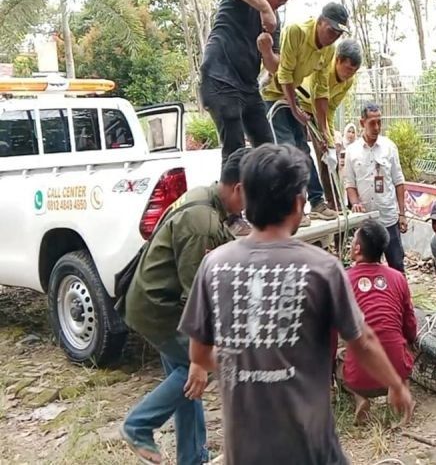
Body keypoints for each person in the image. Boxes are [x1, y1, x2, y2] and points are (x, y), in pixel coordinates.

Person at [178, 143, 413, 465]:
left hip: (245, 448)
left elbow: (199, 355)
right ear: (299, 203)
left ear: (245, 196)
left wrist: (250, 358)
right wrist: (395, 385)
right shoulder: (323, 267)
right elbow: (363, 341)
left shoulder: (214, 266)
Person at [119, 148, 248, 465]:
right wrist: (202, 358)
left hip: (161, 301)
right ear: (240, 188)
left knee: (188, 377)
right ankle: (139, 424)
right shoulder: (201, 222)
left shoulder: (209, 199)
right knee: (210, 364)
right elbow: (198, 298)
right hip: (159, 309)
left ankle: (191, 457)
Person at [200, 0, 297, 173]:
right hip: (220, 77)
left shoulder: (273, 20)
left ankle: (267, 204)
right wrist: (263, 7)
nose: (280, 3)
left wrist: (266, 51)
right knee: (235, 150)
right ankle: (229, 206)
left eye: (286, 0)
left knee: (268, 151)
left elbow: (274, 66)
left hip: (248, 87)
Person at [261, 2, 350, 225]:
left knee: (303, 149)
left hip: (294, 98)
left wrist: (323, 134)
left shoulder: (329, 50)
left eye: (339, 34)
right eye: (331, 30)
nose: (333, 37)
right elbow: (284, 73)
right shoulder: (296, 31)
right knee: (288, 150)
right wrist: (293, 108)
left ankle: (318, 202)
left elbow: (321, 92)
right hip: (273, 95)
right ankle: (292, 208)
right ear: (320, 22)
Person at [338, 220, 417, 424]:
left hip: (360, 378)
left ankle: (360, 399)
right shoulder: (398, 278)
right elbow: (410, 324)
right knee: (401, 348)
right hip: (394, 371)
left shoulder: (343, 280)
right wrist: (411, 341)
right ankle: (399, 387)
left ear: (357, 249)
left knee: (340, 361)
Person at [297, 39, 363, 209]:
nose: (350, 74)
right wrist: (323, 133)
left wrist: (329, 137)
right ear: (338, 59)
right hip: (300, 103)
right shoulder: (324, 67)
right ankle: (307, 201)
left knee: (327, 154)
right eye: (348, 69)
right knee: (300, 151)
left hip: (319, 110)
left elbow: (330, 108)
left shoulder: (348, 82)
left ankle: (334, 202)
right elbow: (316, 100)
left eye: (354, 71)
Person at [344, 102, 407, 273]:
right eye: (372, 123)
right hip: (365, 221)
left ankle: (401, 298)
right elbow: (349, 184)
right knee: (368, 268)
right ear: (362, 123)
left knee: (397, 265)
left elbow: (398, 181)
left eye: (379, 122)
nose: (377, 127)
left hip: (388, 218)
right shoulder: (352, 151)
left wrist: (402, 214)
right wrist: (355, 202)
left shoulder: (389, 147)